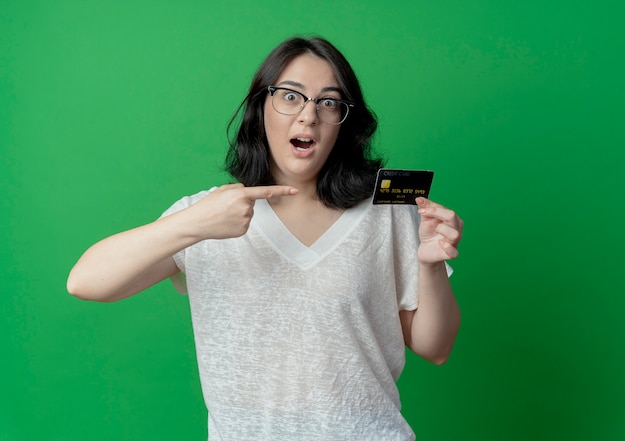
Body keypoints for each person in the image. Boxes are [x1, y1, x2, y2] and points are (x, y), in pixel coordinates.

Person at [67, 36, 463, 441]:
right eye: (290, 96)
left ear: (344, 123)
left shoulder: (387, 212)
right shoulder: (206, 214)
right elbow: (85, 282)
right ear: (261, 108)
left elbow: (436, 347)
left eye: (328, 102)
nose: (309, 116)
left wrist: (429, 264)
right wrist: (192, 224)